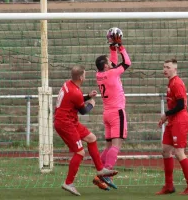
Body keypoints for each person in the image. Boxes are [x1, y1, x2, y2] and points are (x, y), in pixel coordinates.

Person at [55, 66, 117, 196]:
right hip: (65, 123)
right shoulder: (75, 92)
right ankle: (68, 183)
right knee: (80, 152)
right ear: (81, 77)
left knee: (91, 138)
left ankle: (100, 170)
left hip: (71, 120)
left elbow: (74, 100)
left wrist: (87, 96)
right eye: (85, 75)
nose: (85, 77)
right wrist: (91, 104)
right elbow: (83, 111)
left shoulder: (68, 84)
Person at [94, 27, 132, 190]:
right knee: (117, 144)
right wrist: (121, 47)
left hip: (107, 113)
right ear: (106, 66)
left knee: (109, 146)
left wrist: (112, 49)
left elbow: (115, 64)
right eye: (109, 62)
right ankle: (106, 173)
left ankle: (99, 173)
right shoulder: (112, 74)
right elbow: (127, 63)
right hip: (117, 112)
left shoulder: (99, 74)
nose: (111, 63)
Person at [156, 59, 188, 195]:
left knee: (179, 152)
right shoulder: (171, 82)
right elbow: (174, 105)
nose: (165, 70)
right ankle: (169, 186)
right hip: (172, 120)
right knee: (166, 150)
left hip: (179, 121)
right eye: (164, 67)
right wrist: (166, 118)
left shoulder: (177, 83)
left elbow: (180, 106)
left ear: (175, 69)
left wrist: (165, 114)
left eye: (168, 67)